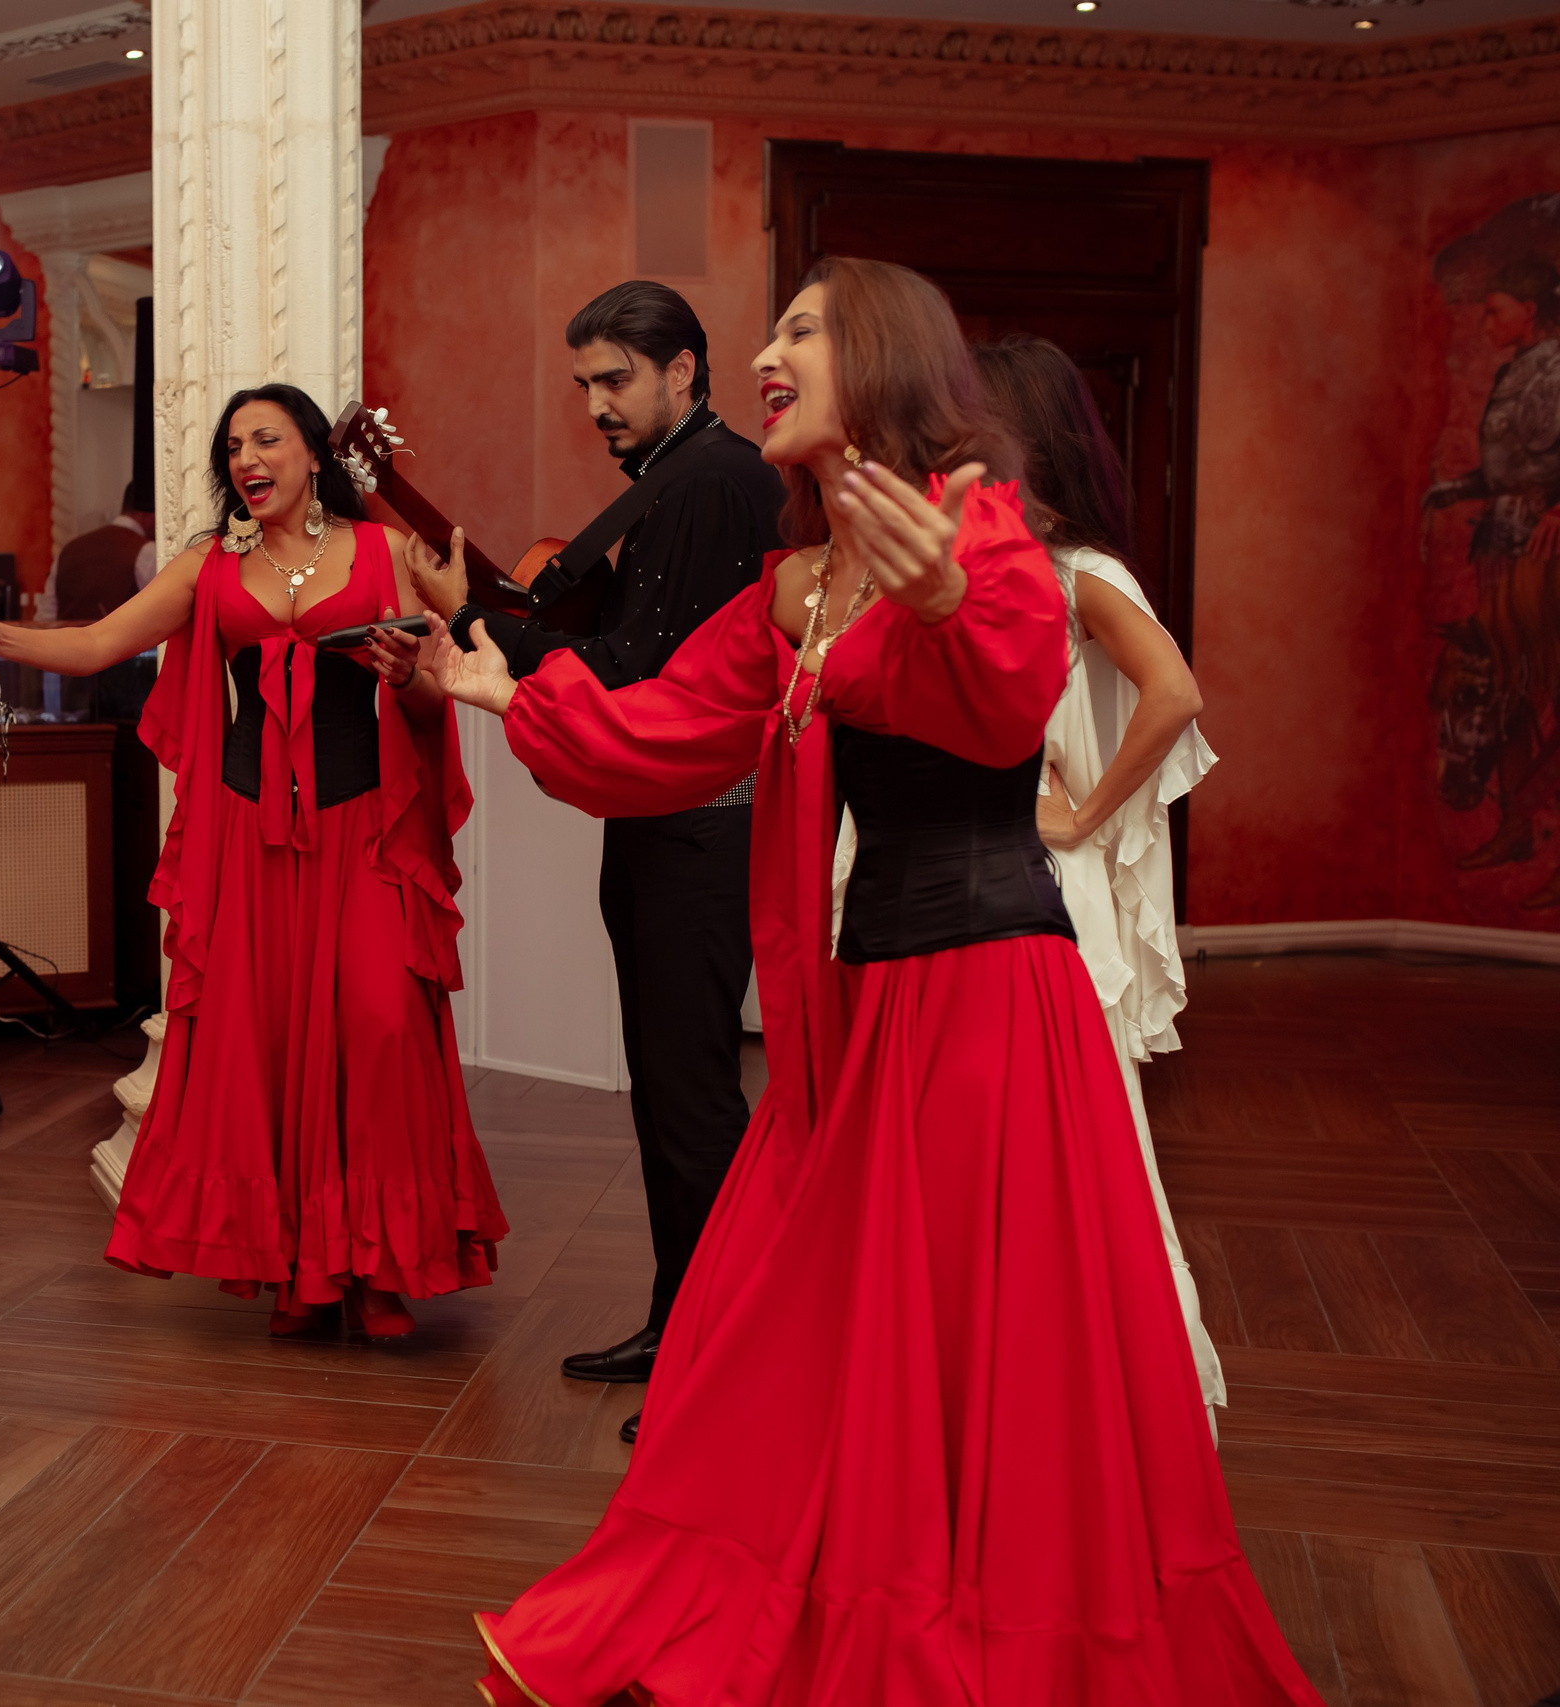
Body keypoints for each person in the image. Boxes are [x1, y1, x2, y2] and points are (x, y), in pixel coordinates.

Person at [425, 259, 1320, 1704]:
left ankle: (982, 1620)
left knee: (986, 1344)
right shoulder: (792, 582)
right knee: (795, 1319)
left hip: (991, 1003)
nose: (768, 353)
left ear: (885, 358)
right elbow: (665, 736)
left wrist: (957, 595)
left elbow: (1009, 690)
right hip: (861, 1008)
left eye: (799, 330)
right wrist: (509, 693)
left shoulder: (976, 522)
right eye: (770, 331)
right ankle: (838, 1581)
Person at [0, 383, 507, 1338]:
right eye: (235, 444)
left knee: (377, 1024)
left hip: (360, 827)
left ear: (315, 454)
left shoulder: (382, 554)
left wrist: (409, 678)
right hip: (248, 836)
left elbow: (437, 684)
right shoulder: (208, 564)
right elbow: (99, 642)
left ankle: (377, 1264)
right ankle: (297, 1267)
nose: (248, 458)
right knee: (267, 1043)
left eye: (268, 439)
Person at [408, 281, 783, 1423]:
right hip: (667, 818)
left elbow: (646, 674)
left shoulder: (718, 479)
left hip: (701, 825)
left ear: (683, 370)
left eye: (615, 379)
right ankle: (684, 1327)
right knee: (672, 1102)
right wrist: (486, 617)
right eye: (584, 383)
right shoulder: (681, 479)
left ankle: (712, 1361)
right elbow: (615, 648)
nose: (595, 405)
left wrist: (475, 623)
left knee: (691, 1103)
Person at [974, 332, 1227, 1423]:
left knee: (1084, 1149)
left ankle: (1122, 1397)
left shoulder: (1082, 575)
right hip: (983, 879)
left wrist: (1078, 809)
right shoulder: (994, 567)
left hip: (1050, 889)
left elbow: (1174, 693)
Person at [1424, 255, 1560, 900]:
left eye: (1496, 310)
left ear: (1530, 312)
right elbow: (1510, 469)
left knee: (1543, 689)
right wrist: (1452, 490)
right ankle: (1515, 825)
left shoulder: (1558, 368)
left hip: (1543, 551)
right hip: (1502, 545)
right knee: (1503, 688)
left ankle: (1542, 821)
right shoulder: (1514, 372)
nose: (1486, 322)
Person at [52, 479, 157, 621]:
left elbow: (46, 615)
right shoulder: (147, 551)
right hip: (122, 642)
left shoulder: (69, 550)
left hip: (65, 641)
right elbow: (159, 614)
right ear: (148, 514)